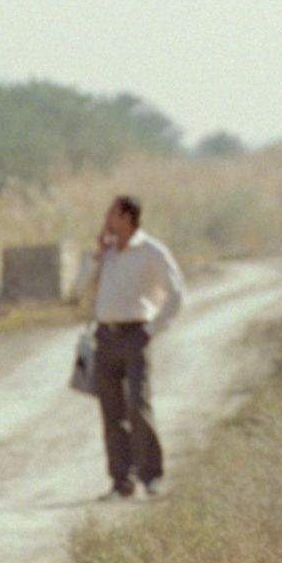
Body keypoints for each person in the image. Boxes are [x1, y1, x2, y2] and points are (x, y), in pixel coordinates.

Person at [81, 195, 185, 499]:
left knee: (138, 405)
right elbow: (78, 289)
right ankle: (121, 481)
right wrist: (98, 257)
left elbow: (176, 293)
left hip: (135, 333)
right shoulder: (108, 253)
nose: (106, 218)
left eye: (111, 213)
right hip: (105, 336)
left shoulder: (151, 251)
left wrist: (152, 329)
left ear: (127, 217)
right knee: (111, 412)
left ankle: (151, 476)